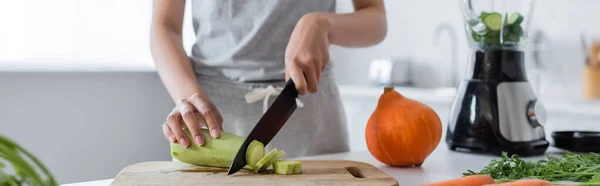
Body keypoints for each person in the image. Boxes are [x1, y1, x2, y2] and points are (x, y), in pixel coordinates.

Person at [150, 0, 387, 158]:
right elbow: (164, 25)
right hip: (213, 120)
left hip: (313, 117)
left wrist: (324, 24)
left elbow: (375, 17)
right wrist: (189, 96)